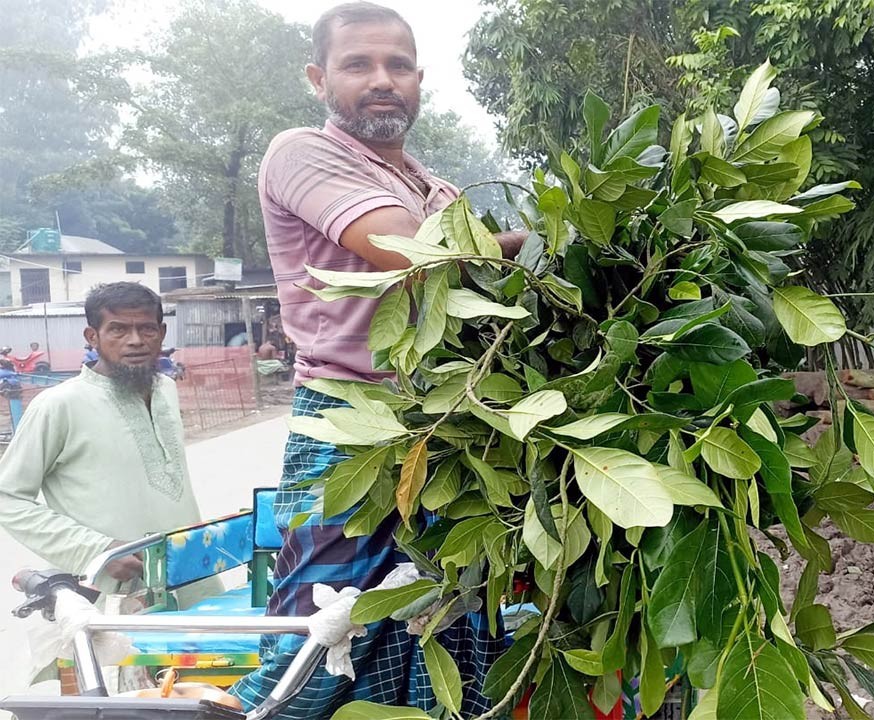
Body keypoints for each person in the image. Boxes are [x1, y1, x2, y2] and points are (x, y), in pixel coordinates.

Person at [230, 4, 522, 716]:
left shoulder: (441, 190)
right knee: (326, 630)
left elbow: (479, 272)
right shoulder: (301, 150)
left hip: (449, 426)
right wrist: (531, 239)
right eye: (358, 64)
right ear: (319, 77)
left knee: (445, 621)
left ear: (419, 80)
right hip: (349, 423)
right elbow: (413, 250)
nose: (382, 80)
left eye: (398, 66)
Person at [0, 283, 209, 597]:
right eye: (119, 330)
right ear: (92, 336)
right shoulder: (58, 405)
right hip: (114, 597)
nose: (135, 340)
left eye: (146, 329)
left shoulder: (166, 388)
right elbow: (8, 498)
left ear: (162, 333)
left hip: (193, 578)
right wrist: (97, 549)